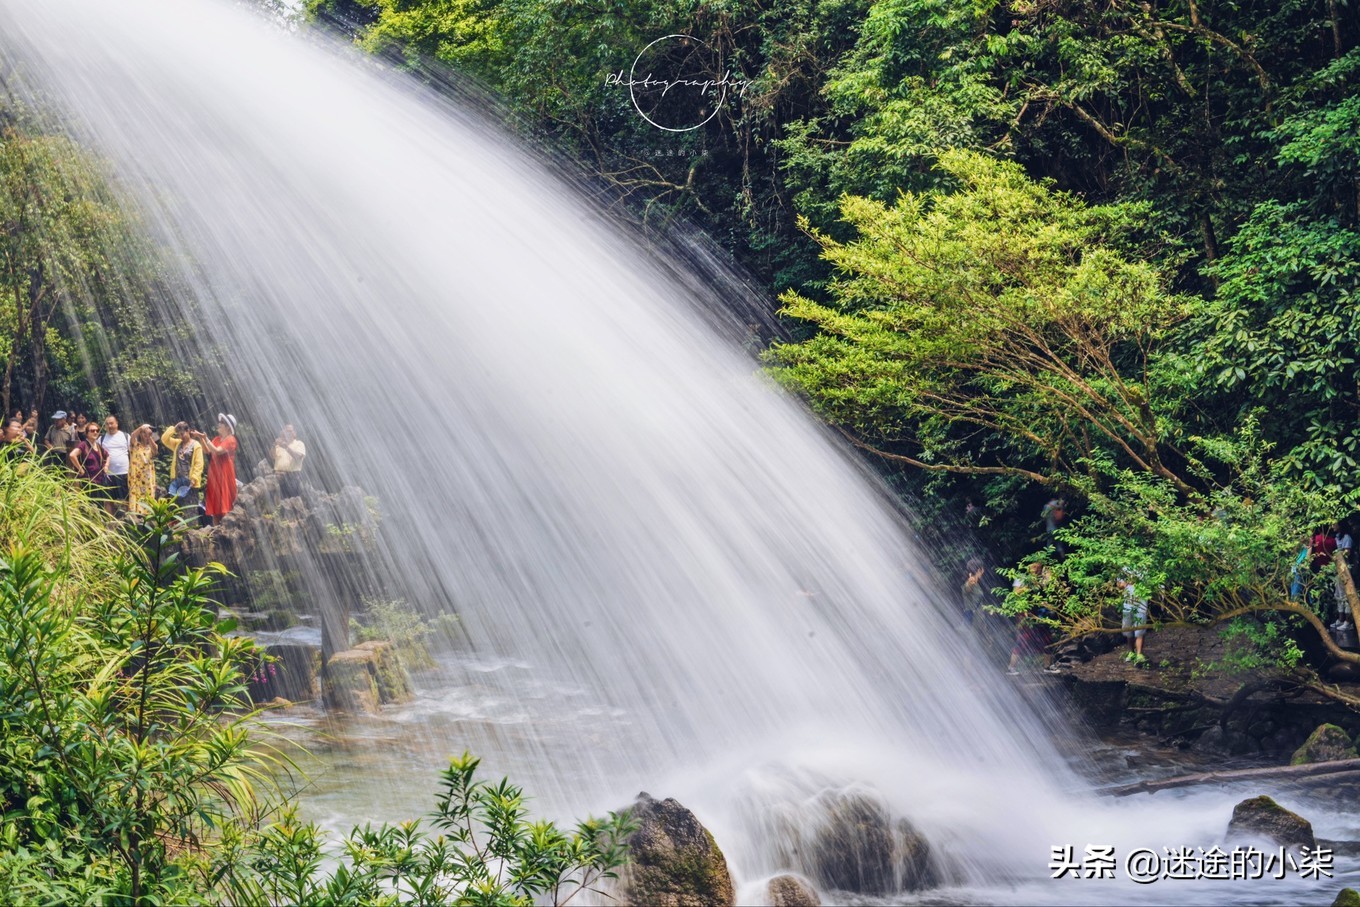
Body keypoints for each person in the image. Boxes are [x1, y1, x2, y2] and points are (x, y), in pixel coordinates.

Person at [193, 413, 238, 526]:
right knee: (216, 505)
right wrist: (201, 438)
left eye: (222, 423)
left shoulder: (231, 439)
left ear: (228, 427)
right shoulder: (217, 439)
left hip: (225, 474)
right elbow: (208, 450)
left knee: (225, 503)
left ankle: (227, 528)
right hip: (215, 473)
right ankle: (216, 529)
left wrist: (205, 438)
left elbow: (217, 451)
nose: (219, 424)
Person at [161, 422, 205, 506]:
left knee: (190, 511)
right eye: (179, 435)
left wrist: (194, 479)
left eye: (182, 434)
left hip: (191, 484)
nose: (181, 437)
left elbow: (199, 464)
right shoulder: (177, 444)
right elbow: (164, 439)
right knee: (177, 509)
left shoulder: (196, 445)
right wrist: (174, 429)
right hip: (177, 483)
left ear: (188, 430)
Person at [99, 415, 131, 516]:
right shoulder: (101, 439)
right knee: (108, 499)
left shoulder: (126, 436)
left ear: (117, 424)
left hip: (124, 472)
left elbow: (134, 453)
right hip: (108, 474)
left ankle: (130, 521)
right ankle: (110, 521)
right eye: (107, 424)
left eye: (111, 423)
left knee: (127, 498)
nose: (110, 426)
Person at [1119, 571, 1150, 665]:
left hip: (1141, 606)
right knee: (1128, 631)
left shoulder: (1145, 568)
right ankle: (1131, 652)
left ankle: (1139, 654)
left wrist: (1136, 581)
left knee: (1140, 630)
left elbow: (1149, 584)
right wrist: (1124, 584)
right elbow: (1119, 585)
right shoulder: (1123, 569)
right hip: (1127, 606)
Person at [127, 424, 158, 516]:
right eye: (143, 433)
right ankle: (135, 516)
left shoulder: (151, 446)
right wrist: (141, 428)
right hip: (136, 477)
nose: (145, 434)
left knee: (148, 495)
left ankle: (147, 516)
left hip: (148, 478)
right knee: (136, 494)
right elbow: (132, 436)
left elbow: (155, 450)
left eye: (147, 433)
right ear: (140, 434)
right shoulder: (136, 445)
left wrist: (150, 437)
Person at [67, 422, 107, 489]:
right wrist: (81, 470)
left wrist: (106, 466)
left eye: (97, 430)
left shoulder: (98, 446)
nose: (95, 432)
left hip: (100, 480)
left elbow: (107, 455)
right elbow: (72, 455)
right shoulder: (83, 444)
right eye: (92, 431)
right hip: (88, 482)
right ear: (87, 433)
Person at [271, 423, 306, 498]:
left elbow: (298, 457)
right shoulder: (279, 445)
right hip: (277, 476)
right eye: (286, 431)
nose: (287, 433)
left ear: (294, 433)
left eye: (290, 431)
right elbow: (272, 456)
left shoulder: (299, 444)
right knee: (276, 501)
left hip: (292, 477)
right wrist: (274, 444)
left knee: (290, 501)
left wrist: (286, 447)